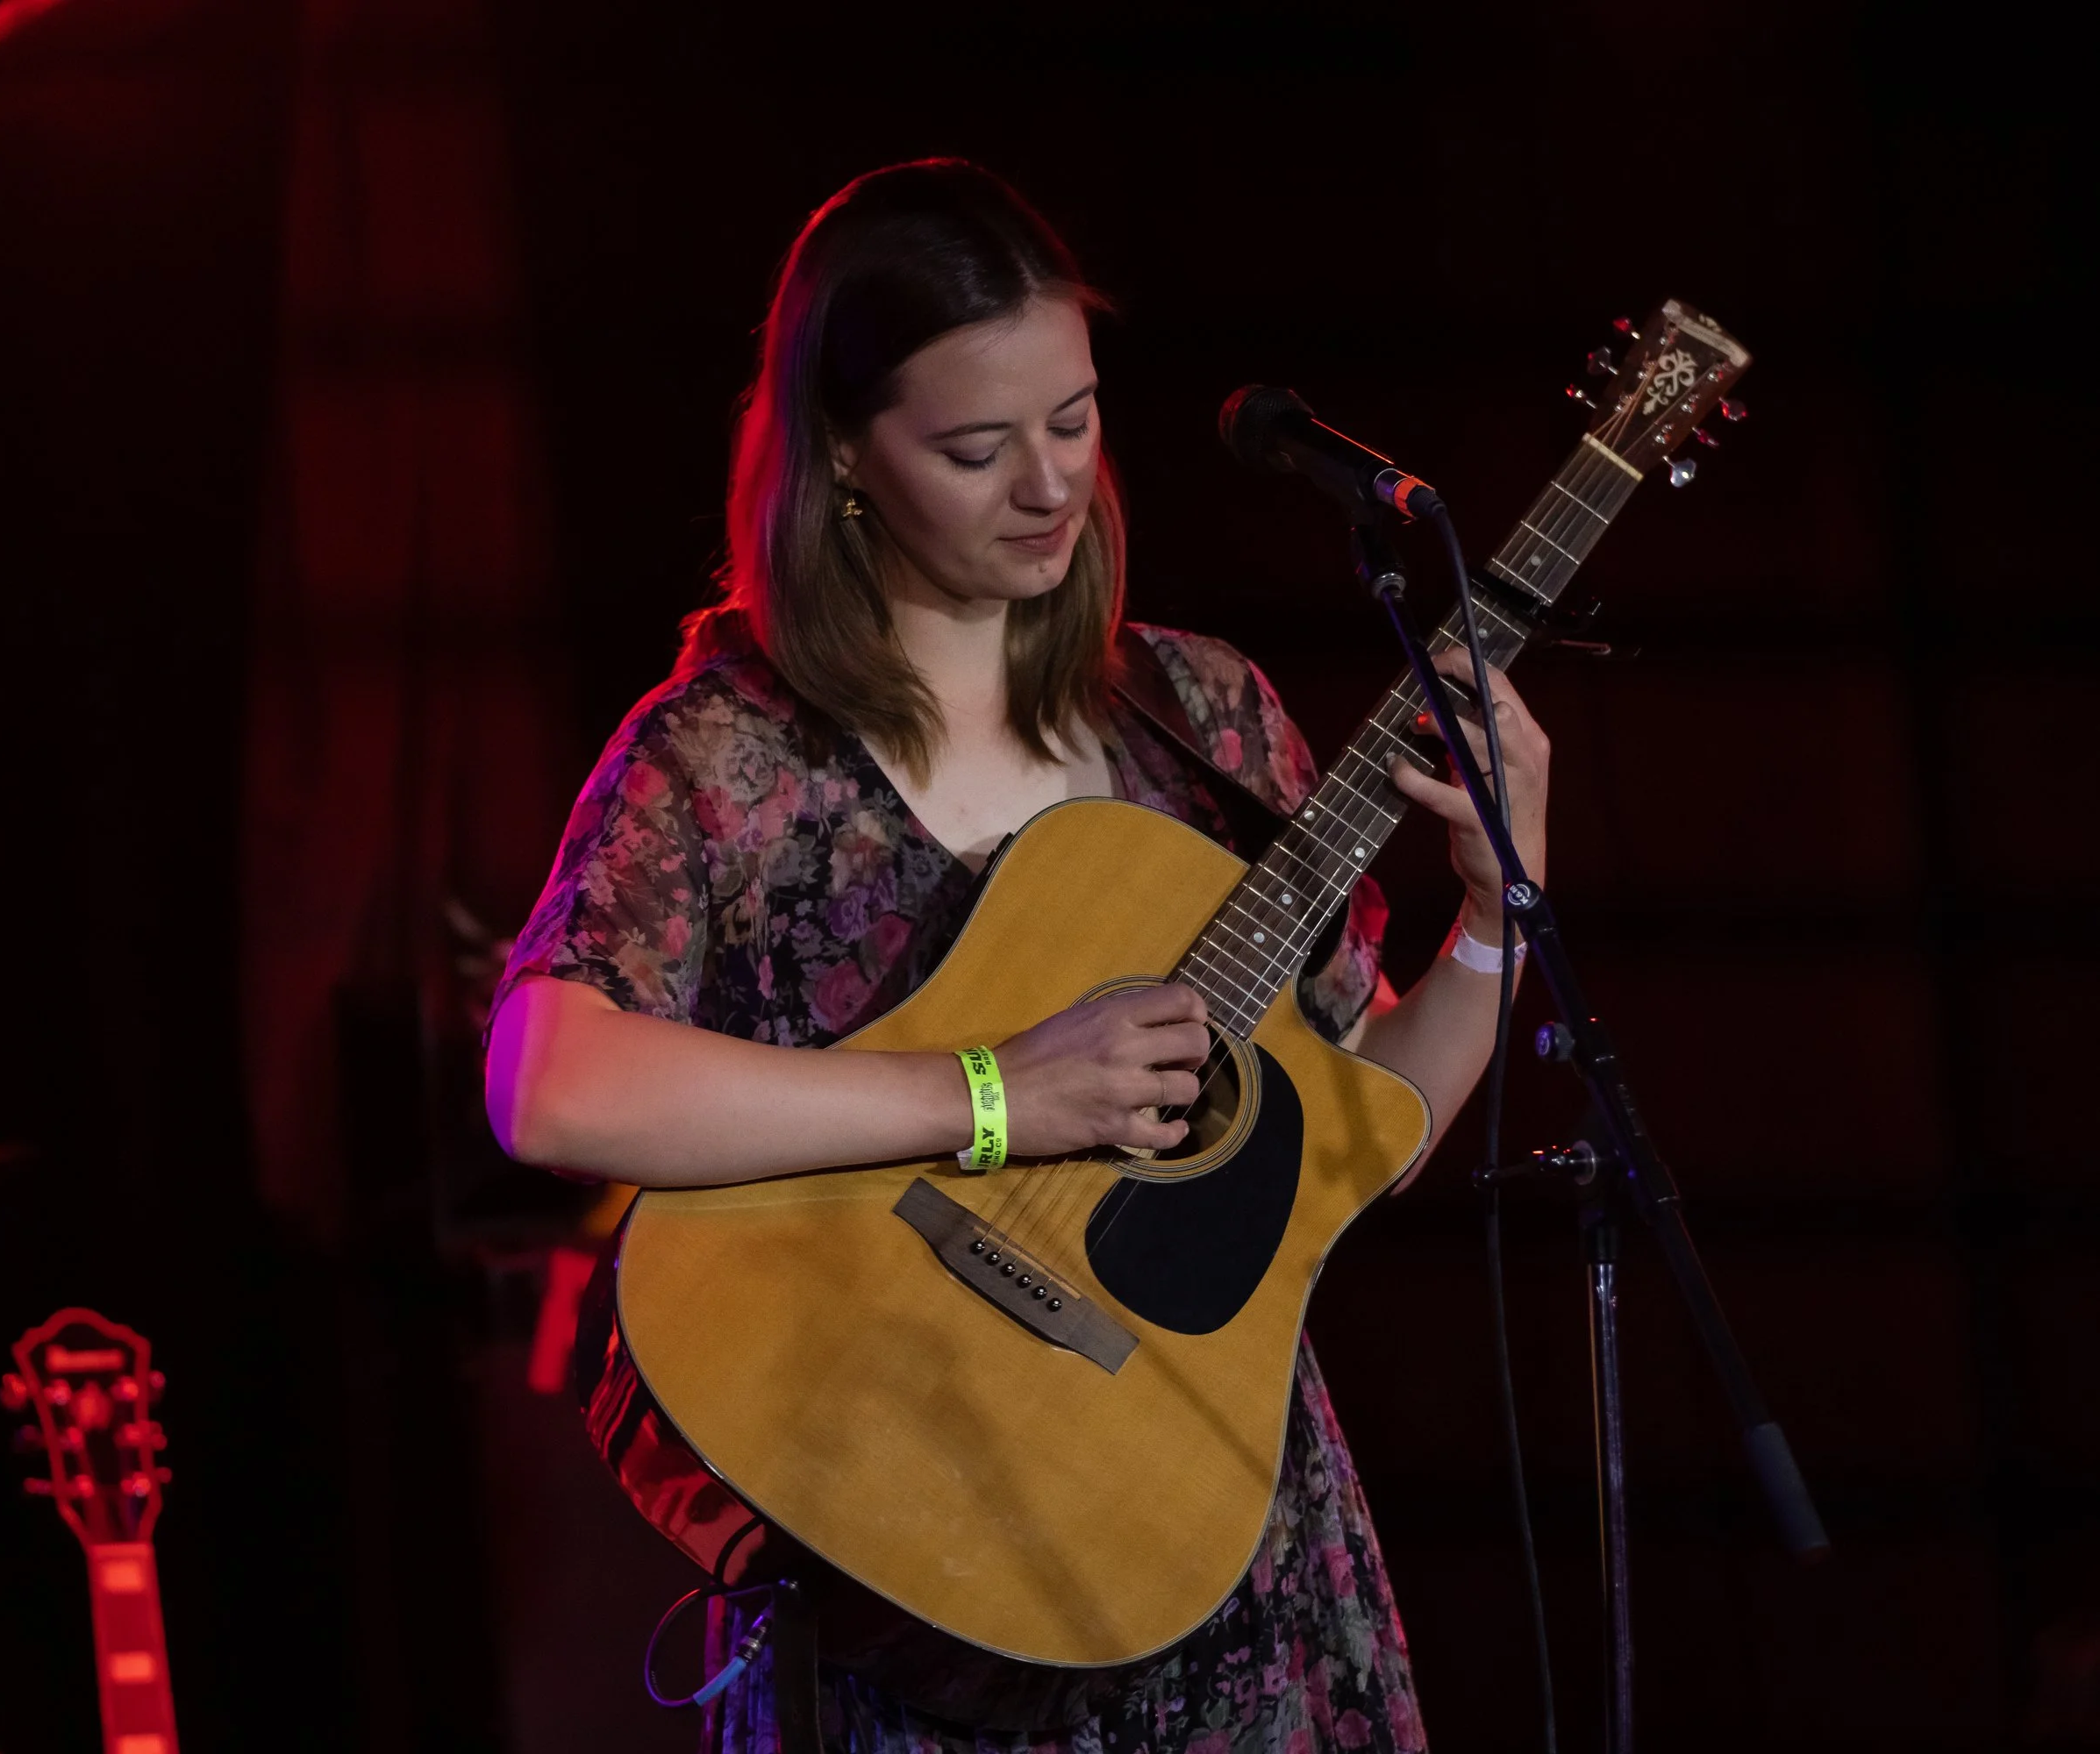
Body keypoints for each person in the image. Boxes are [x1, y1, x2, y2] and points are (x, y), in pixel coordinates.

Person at [485, 159, 1549, 1754]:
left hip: (1214, 1543)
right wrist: (993, 1094)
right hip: (906, 1565)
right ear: (845, 454)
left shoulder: (1205, 717)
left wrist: (1493, 911)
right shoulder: (728, 754)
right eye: (978, 450)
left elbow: (1362, 1140)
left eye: (1075, 419)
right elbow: (549, 1084)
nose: (1050, 486)